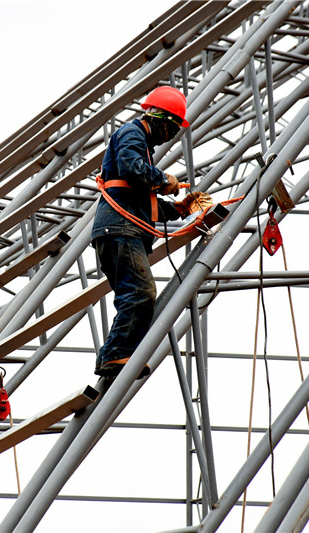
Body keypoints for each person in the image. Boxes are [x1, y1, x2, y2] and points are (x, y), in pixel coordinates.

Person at [91, 86, 195, 379]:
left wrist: (180, 209)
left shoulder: (142, 146)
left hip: (121, 228)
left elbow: (140, 204)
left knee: (133, 293)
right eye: (172, 128)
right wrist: (164, 179)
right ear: (160, 118)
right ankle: (116, 354)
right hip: (119, 230)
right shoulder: (132, 133)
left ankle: (117, 354)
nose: (171, 135)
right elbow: (133, 170)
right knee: (140, 291)